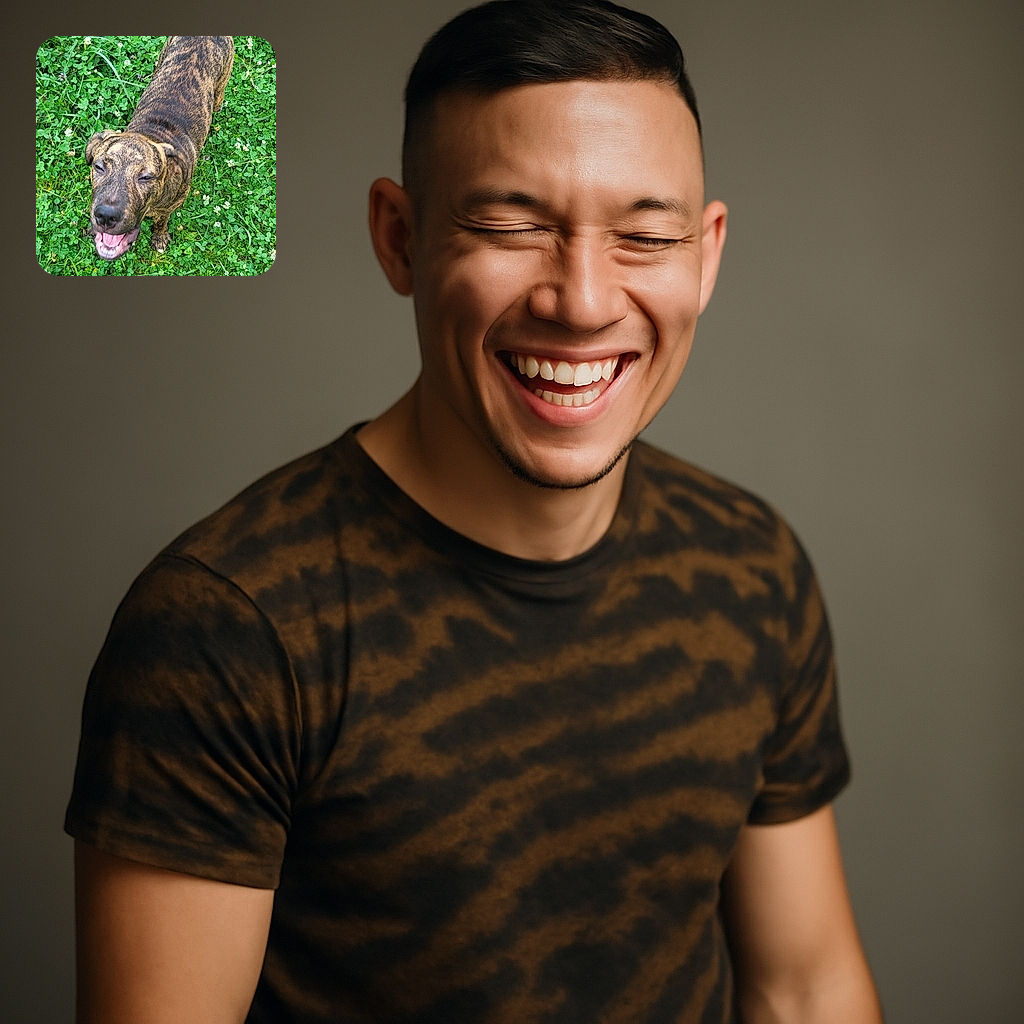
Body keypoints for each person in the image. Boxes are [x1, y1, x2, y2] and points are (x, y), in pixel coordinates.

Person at [66, 2, 884, 1021]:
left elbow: (803, 989)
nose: (582, 300)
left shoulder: (751, 566)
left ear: (704, 255)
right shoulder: (227, 627)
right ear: (399, 239)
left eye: (644, 234)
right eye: (509, 226)